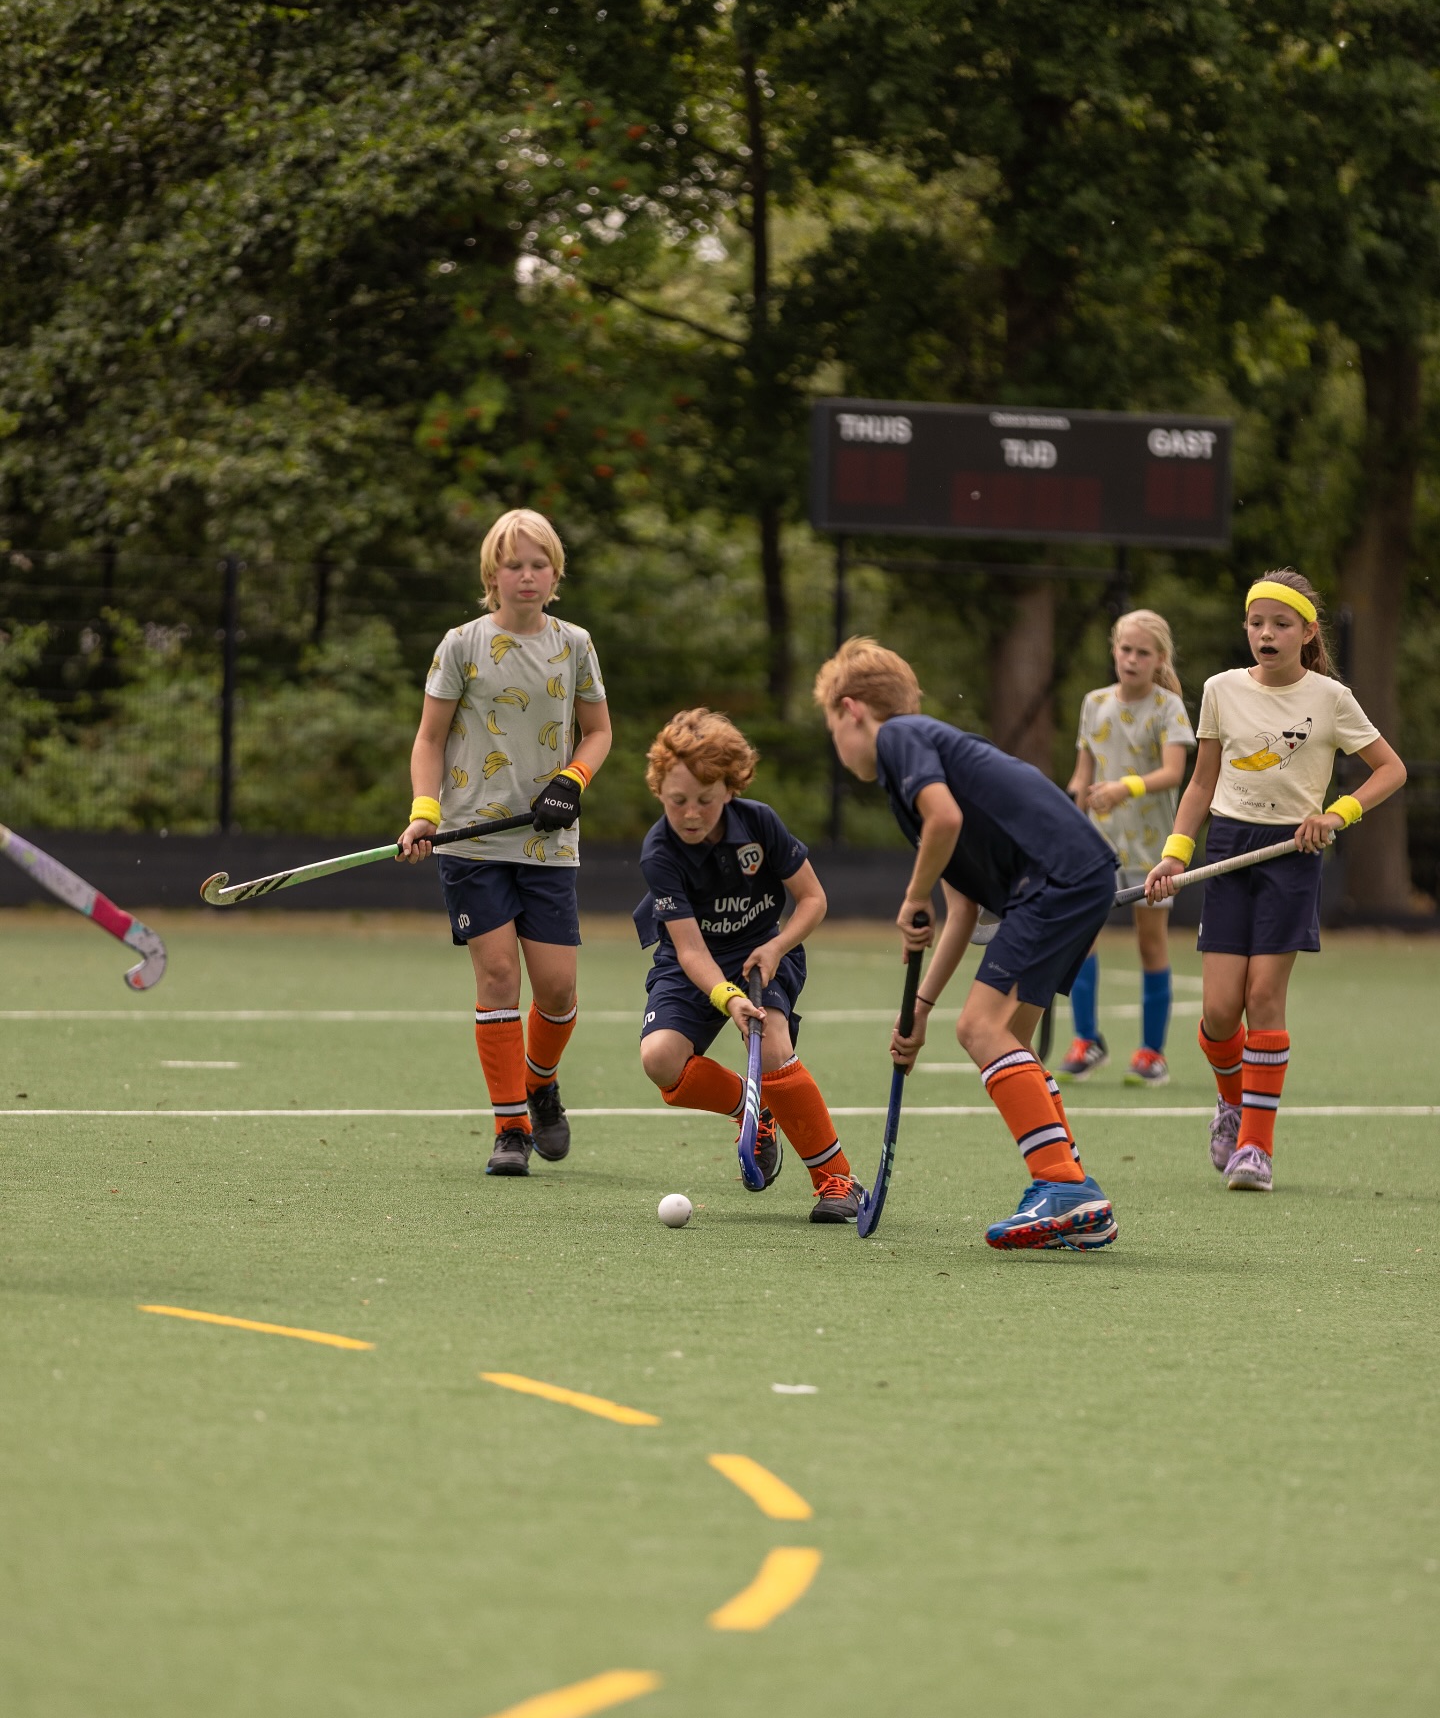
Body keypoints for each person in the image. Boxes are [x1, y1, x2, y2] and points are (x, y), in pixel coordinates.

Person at [815, 637, 1118, 1250]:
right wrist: (919, 1012)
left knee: (980, 1029)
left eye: (832, 728)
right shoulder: (914, 768)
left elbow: (945, 820)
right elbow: (964, 911)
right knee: (1012, 1038)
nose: (839, 748)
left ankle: (1061, 1186)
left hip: (1053, 876)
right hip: (1074, 875)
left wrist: (911, 895)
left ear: (852, 710)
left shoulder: (900, 738)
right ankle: (1077, 1195)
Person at [1145, 569, 1406, 1191]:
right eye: (1257, 623)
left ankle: (1255, 1149)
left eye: (1281, 624)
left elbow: (1389, 770)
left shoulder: (1330, 698)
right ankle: (1230, 1106)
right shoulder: (1219, 689)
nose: (1266, 634)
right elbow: (1202, 783)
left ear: (1306, 632)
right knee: (1216, 1012)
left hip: (1294, 851)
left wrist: (1336, 814)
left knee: (1263, 999)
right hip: (1230, 849)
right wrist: (1176, 854)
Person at [398, 508, 611, 1177]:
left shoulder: (574, 644)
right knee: (497, 979)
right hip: (470, 841)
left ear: (555, 574)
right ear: (492, 574)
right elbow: (429, 739)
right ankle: (510, 1128)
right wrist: (426, 813)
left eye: (538, 564)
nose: (526, 576)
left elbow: (599, 732)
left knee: (555, 991)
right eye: (513, 565)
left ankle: (540, 1082)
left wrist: (572, 780)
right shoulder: (461, 645)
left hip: (547, 844)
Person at [634, 708, 862, 1223]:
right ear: (659, 793)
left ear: (731, 789)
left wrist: (779, 945)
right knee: (660, 1060)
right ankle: (750, 1111)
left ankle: (837, 1180)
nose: (691, 814)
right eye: (678, 802)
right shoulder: (659, 853)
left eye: (705, 801)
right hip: (690, 962)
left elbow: (812, 900)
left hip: (764, 950)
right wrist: (727, 997)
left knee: (775, 1044)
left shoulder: (760, 823)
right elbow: (690, 951)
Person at [1063, 610, 1195, 1086]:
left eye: (1143, 652)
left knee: (1150, 942)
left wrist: (1123, 787)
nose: (1132, 659)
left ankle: (1151, 1054)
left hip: (1152, 848)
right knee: (1081, 938)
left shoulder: (1168, 708)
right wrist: (1072, 806)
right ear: (1114, 651)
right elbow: (1083, 771)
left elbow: (1173, 773)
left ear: (1159, 658)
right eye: (1125, 649)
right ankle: (1086, 1040)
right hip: (1096, 845)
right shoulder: (1094, 702)